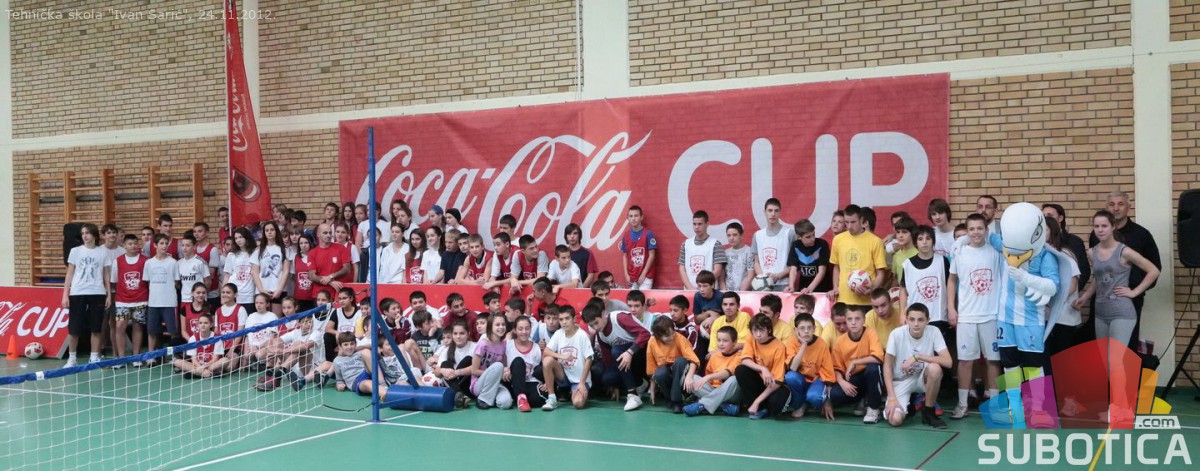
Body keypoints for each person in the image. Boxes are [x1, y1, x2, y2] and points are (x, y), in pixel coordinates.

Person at [1086, 191, 1162, 348]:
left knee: (1126, 351)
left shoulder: (1141, 234)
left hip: (1128, 299)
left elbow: (1155, 268)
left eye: (1120, 204)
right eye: (1112, 204)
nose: (1116, 208)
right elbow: (1099, 274)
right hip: (1101, 301)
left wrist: (1135, 291)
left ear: (1129, 207)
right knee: (1102, 354)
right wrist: (1086, 296)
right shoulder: (1096, 237)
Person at [947, 213, 1003, 419]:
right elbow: (952, 280)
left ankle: (995, 406)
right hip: (967, 316)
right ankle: (962, 404)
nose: (976, 232)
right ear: (967, 231)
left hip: (991, 315)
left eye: (980, 228)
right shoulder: (960, 253)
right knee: (965, 361)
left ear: (986, 230)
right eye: (972, 229)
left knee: (993, 361)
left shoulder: (995, 252)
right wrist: (951, 308)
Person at [883, 303, 952, 429]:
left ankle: (929, 413)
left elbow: (948, 362)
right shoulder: (896, 334)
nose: (916, 324)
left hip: (921, 378)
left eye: (920, 320)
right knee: (895, 420)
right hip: (900, 381)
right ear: (906, 319)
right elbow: (887, 366)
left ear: (927, 320)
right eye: (912, 319)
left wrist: (918, 357)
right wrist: (892, 397)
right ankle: (911, 402)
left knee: (935, 369)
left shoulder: (934, 331)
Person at [583, 300, 652, 411]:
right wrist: (614, 385)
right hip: (626, 358)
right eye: (592, 325)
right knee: (608, 378)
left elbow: (645, 334)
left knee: (616, 351)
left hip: (643, 353)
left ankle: (633, 395)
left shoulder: (619, 318)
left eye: (596, 322)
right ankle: (639, 383)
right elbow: (608, 360)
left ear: (603, 314)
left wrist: (630, 352)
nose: (595, 327)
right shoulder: (600, 334)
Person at [63, 223, 112, 367]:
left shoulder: (102, 252)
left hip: (97, 292)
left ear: (94, 235)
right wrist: (65, 294)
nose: (85, 236)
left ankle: (94, 356)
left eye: (87, 233)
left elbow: (106, 274)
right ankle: (72, 358)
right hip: (78, 292)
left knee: (96, 327)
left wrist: (108, 294)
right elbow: (70, 273)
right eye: (83, 233)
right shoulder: (75, 251)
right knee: (74, 328)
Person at [827, 305, 884, 423]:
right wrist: (842, 382)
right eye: (850, 319)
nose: (853, 323)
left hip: (871, 373)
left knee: (873, 369)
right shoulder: (840, 341)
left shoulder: (870, 333)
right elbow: (836, 367)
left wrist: (855, 362)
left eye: (857, 319)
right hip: (855, 377)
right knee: (835, 395)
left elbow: (878, 358)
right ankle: (861, 398)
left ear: (864, 320)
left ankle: (873, 408)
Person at [830, 204, 886, 309]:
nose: (849, 226)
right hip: (843, 299)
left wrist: (872, 287)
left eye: (853, 222)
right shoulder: (838, 239)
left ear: (861, 220)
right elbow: (836, 267)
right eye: (846, 222)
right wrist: (835, 288)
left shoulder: (875, 241)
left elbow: (881, 272)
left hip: (866, 301)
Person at [734, 314, 790, 419]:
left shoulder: (779, 347)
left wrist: (757, 401)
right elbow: (745, 359)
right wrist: (762, 369)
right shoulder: (751, 337)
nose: (758, 335)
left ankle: (758, 405)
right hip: (760, 381)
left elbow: (778, 381)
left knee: (775, 407)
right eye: (755, 330)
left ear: (769, 330)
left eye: (762, 330)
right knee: (741, 370)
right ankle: (759, 408)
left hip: (774, 385)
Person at [899, 226, 950, 336]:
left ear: (933, 241)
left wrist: (951, 309)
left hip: (939, 316)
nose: (925, 242)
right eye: (920, 239)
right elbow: (903, 290)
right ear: (915, 242)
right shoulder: (907, 264)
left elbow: (950, 287)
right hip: (916, 318)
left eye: (928, 238)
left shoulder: (943, 261)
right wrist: (902, 313)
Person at [681, 326, 743, 417]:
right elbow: (709, 382)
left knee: (734, 379)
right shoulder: (714, 356)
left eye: (725, 341)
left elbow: (727, 373)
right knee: (693, 378)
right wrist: (706, 378)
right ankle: (723, 406)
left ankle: (702, 404)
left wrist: (709, 377)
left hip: (731, 394)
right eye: (719, 340)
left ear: (734, 342)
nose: (721, 344)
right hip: (714, 390)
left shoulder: (739, 356)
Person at [541, 305, 594, 410]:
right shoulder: (558, 333)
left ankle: (575, 392)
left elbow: (589, 359)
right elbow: (546, 351)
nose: (564, 322)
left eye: (567, 318)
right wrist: (562, 356)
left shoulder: (582, 335)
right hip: (564, 375)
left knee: (578, 404)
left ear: (574, 319)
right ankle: (552, 399)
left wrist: (582, 383)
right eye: (561, 319)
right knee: (547, 360)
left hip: (579, 379)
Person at [783, 313, 834, 419]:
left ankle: (806, 403)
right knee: (790, 377)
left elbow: (828, 371)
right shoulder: (792, 342)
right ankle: (802, 404)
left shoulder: (821, 344)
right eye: (802, 328)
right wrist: (804, 345)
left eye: (809, 328)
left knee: (815, 397)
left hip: (816, 380)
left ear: (814, 329)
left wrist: (828, 400)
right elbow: (793, 367)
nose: (806, 331)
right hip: (800, 379)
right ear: (796, 330)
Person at [646, 316, 700, 413]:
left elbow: (694, 360)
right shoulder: (652, 342)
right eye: (667, 336)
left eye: (673, 333)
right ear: (658, 336)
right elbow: (652, 369)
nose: (671, 337)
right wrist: (652, 390)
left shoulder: (680, 338)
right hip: (666, 375)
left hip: (681, 374)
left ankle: (676, 402)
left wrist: (689, 377)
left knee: (680, 361)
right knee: (660, 372)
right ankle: (670, 398)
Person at [110, 234, 149, 365]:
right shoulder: (118, 261)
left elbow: (148, 280)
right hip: (122, 301)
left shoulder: (145, 261)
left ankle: (136, 357)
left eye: (135, 243)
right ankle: (121, 358)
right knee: (120, 326)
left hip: (141, 299)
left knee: (137, 326)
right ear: (124, 246)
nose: (133, 246)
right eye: (130, 244)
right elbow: (114, 281)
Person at [144, 234, 181, 356]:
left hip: (169, 302)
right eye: (161, 243)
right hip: (153, 302)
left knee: (173, 331)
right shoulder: (149, 263)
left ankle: (175, 356)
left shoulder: (173, 262)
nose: (164, 246)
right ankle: (151, 356)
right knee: (152, 331)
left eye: (166, 243)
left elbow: (177, 282)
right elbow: (147, 281)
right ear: (155, 245)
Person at [470, 314, 513, 409]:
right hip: (478, 384)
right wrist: (493, 373)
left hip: (495, 384)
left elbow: (504, 367)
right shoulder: (483, 344)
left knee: (506, 403)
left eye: (503, 324)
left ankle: (491, 399)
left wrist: (506, 371)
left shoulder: (503, 345)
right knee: (498, 366)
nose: (501, 327)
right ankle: (483, 399)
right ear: (490, 327)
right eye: (497, 325)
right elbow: (474, 371)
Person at [750, 198, 794, 291]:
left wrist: (778, 276)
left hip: (784, 285)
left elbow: (795, 264)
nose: (773, 214)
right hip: (763, 287)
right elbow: (756, 262)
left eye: (776, 211)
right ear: (765, 212)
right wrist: (764, 280)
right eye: (770, 210)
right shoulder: (757, 235)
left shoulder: (789, 233)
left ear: (780, 212)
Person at [1043, 204, 1090, 287]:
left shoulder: (1074, 241)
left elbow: (1083, 270)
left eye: (1049, 216)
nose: (1045, 219)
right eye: (1043, 216)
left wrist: (1070, 290)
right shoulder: (1039, 243)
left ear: (1060, 218)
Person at [678, 210, 727, 290]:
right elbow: (682, 269)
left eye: (700, 224)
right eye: (694, 224)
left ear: (707, 224)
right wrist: (690, 288)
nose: (697, 227)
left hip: (710, 292)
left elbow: (718, 270)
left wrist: (702, 287)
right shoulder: (685, 244)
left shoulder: (715, 244)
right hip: (689, 290)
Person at [434, 320, 477, 407]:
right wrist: (442, 371)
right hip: (454, 384)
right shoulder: (447, 350)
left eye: (462, 333)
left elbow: (477, 368)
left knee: (468, 359)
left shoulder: (475, 347)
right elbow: (436, 373)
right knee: (445, 364)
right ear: (452, 335)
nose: (458, 336)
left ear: (468, 334)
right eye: (455, 334)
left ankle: (460, 396)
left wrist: (456, 373)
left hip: (470, 386)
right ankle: (461, 396)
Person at [251, 222, 290, 315]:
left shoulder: (284, 250)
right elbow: (255, 272)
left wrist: (279, 290)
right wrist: (262, 290)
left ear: (276, 231)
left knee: (277, 319)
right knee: (263, 319)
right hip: (262, 290)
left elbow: (286, 271)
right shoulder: (258, 251)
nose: (269, 232)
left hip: (278, 289)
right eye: (267, 230)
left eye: (272, 230)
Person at [506, 316, 544, 412]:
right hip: (512, 381)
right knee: (518, 361)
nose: (524, 332)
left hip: (530, 381)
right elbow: (501, 362)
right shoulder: (508, 345)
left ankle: (520, 398)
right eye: (520, 329)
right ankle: (521, 398)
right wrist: (504, 369)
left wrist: (547, 383)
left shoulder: (536, 348)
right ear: (515, 330)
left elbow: (542, 368)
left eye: (527, 328)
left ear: (531, 329)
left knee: (537, 400)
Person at [174, 314, 226, 379]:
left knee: (225, 360)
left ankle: (197, 373)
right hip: (197, 365)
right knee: (177, 362)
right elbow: (193, 359)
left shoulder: (217, 338)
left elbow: (215, 358)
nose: (203, 325)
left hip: (211, 365)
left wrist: (204, 367)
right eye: (200, 323)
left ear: (211, 325)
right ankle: (208, 373)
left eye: (206, 323)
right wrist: (202, 369)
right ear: (198, 325)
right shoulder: (193, 339)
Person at [786, 219, 831, 294]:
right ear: (799, 237)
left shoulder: (822, 244)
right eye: (808, 237)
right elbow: (793, 270)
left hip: (822, 290)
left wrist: (810, 288)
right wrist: (791, 286)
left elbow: (822, 271)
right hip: (803, 289)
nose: (812, 239)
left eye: (813, 234)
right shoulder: (795, 245)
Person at [308, 223, 352, 299]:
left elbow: (347, 269)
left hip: (338, 294)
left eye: (330, 233)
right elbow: (312, 276)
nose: (328, 235)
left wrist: (330, 276)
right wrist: (330, 282)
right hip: (320, 296)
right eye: (325, 233)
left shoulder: (341, 248)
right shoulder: (312, 253)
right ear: (318, 234)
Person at [619, 205, 657, 289]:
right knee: (632, 297)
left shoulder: (648, 234)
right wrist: (626, 274)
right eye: (631, 216)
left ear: (641, 217)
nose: (633, 218)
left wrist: (643, 274)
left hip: (646, 276)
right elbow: (624, 256)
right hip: (632, 276)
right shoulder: (626, 235)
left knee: (643, 297)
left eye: (636, 216)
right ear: (628, 218)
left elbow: (652, 255)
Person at [214, 284, 248, 372]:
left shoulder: (240, 309)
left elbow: (240, 333)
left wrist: (232, 349)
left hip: (235, 347)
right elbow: (216, 332)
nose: (225, 294)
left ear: (235, 295)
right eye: (223, 292)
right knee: (217, 364)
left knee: (229, 368)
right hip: (221, 347)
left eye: (228, 292)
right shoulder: (218, 311)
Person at [222, 227, 256, 313]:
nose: (238, 240)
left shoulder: (255, 253)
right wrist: (223, 295)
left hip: (249, 293)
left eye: (240, 237)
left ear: (246, 237)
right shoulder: (231, 255)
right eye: (236, 238)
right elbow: (227, 276)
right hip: (234, 293)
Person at [886, 217, 919, 288]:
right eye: (898, 232)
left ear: (912, 233)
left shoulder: (919, 254)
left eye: (904, 232)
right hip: (901, 292)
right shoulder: (896, 256)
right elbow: (896, 279)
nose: (900, 235)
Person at [564, 223, 599, 287]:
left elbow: (590, 276)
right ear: (566, 236)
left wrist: (581, 289)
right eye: (569, 234)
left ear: (579, 235)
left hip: (582, 289)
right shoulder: (562, 253)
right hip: (565, 289)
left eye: (575, 233)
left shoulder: (587, 253)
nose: (572, 236)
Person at [724, 222, 754, 291]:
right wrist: (725, 292)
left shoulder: (749, 252)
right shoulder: (725, 253)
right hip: (728, 293)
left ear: (741, 235)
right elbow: (722, 278)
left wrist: (741, 293)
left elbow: (750, 276)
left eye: (734, 235)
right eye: (729, 235)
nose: (731, 238)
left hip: (744, 293)